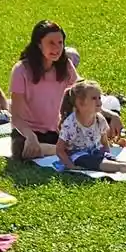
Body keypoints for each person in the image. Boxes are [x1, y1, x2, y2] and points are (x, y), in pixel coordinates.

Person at [10, 21, 83, 161]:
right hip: (26, 132)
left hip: (56, 131)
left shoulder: (65, 65)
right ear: (38, 44)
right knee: (23, 149)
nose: (57, 48)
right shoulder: (21, 70)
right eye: (51, 43)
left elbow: (83, 92)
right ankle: (63, 150)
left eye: (60, 43)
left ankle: (61, 150)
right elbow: (16, 116)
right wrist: (30, 137)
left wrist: (110, 115)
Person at [57, 82, 126, 174]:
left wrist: (107, 153)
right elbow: (60, 149)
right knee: (92, 161)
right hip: (78, 156)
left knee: (110, 159)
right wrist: (70, 165)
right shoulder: (70, 124)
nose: (99, 102)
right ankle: (122, 167)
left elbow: (104, 140)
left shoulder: (99, 119)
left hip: (96, 152)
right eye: (94, 98)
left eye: (99, 98)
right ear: (80, 103)